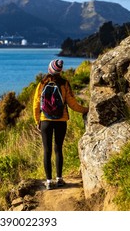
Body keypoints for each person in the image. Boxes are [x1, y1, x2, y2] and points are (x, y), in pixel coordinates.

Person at [33, 59, 88, 190]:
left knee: (47, 151)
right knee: (58, 149)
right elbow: (72, 104)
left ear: (49, 69)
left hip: (45, 121)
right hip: (61, 121)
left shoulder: (42, 83)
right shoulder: (64, 84)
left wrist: (37, 121)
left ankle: (48, 181)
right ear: (60, 71)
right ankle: (59, 179)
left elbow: (35, 105)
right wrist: (86, 110)